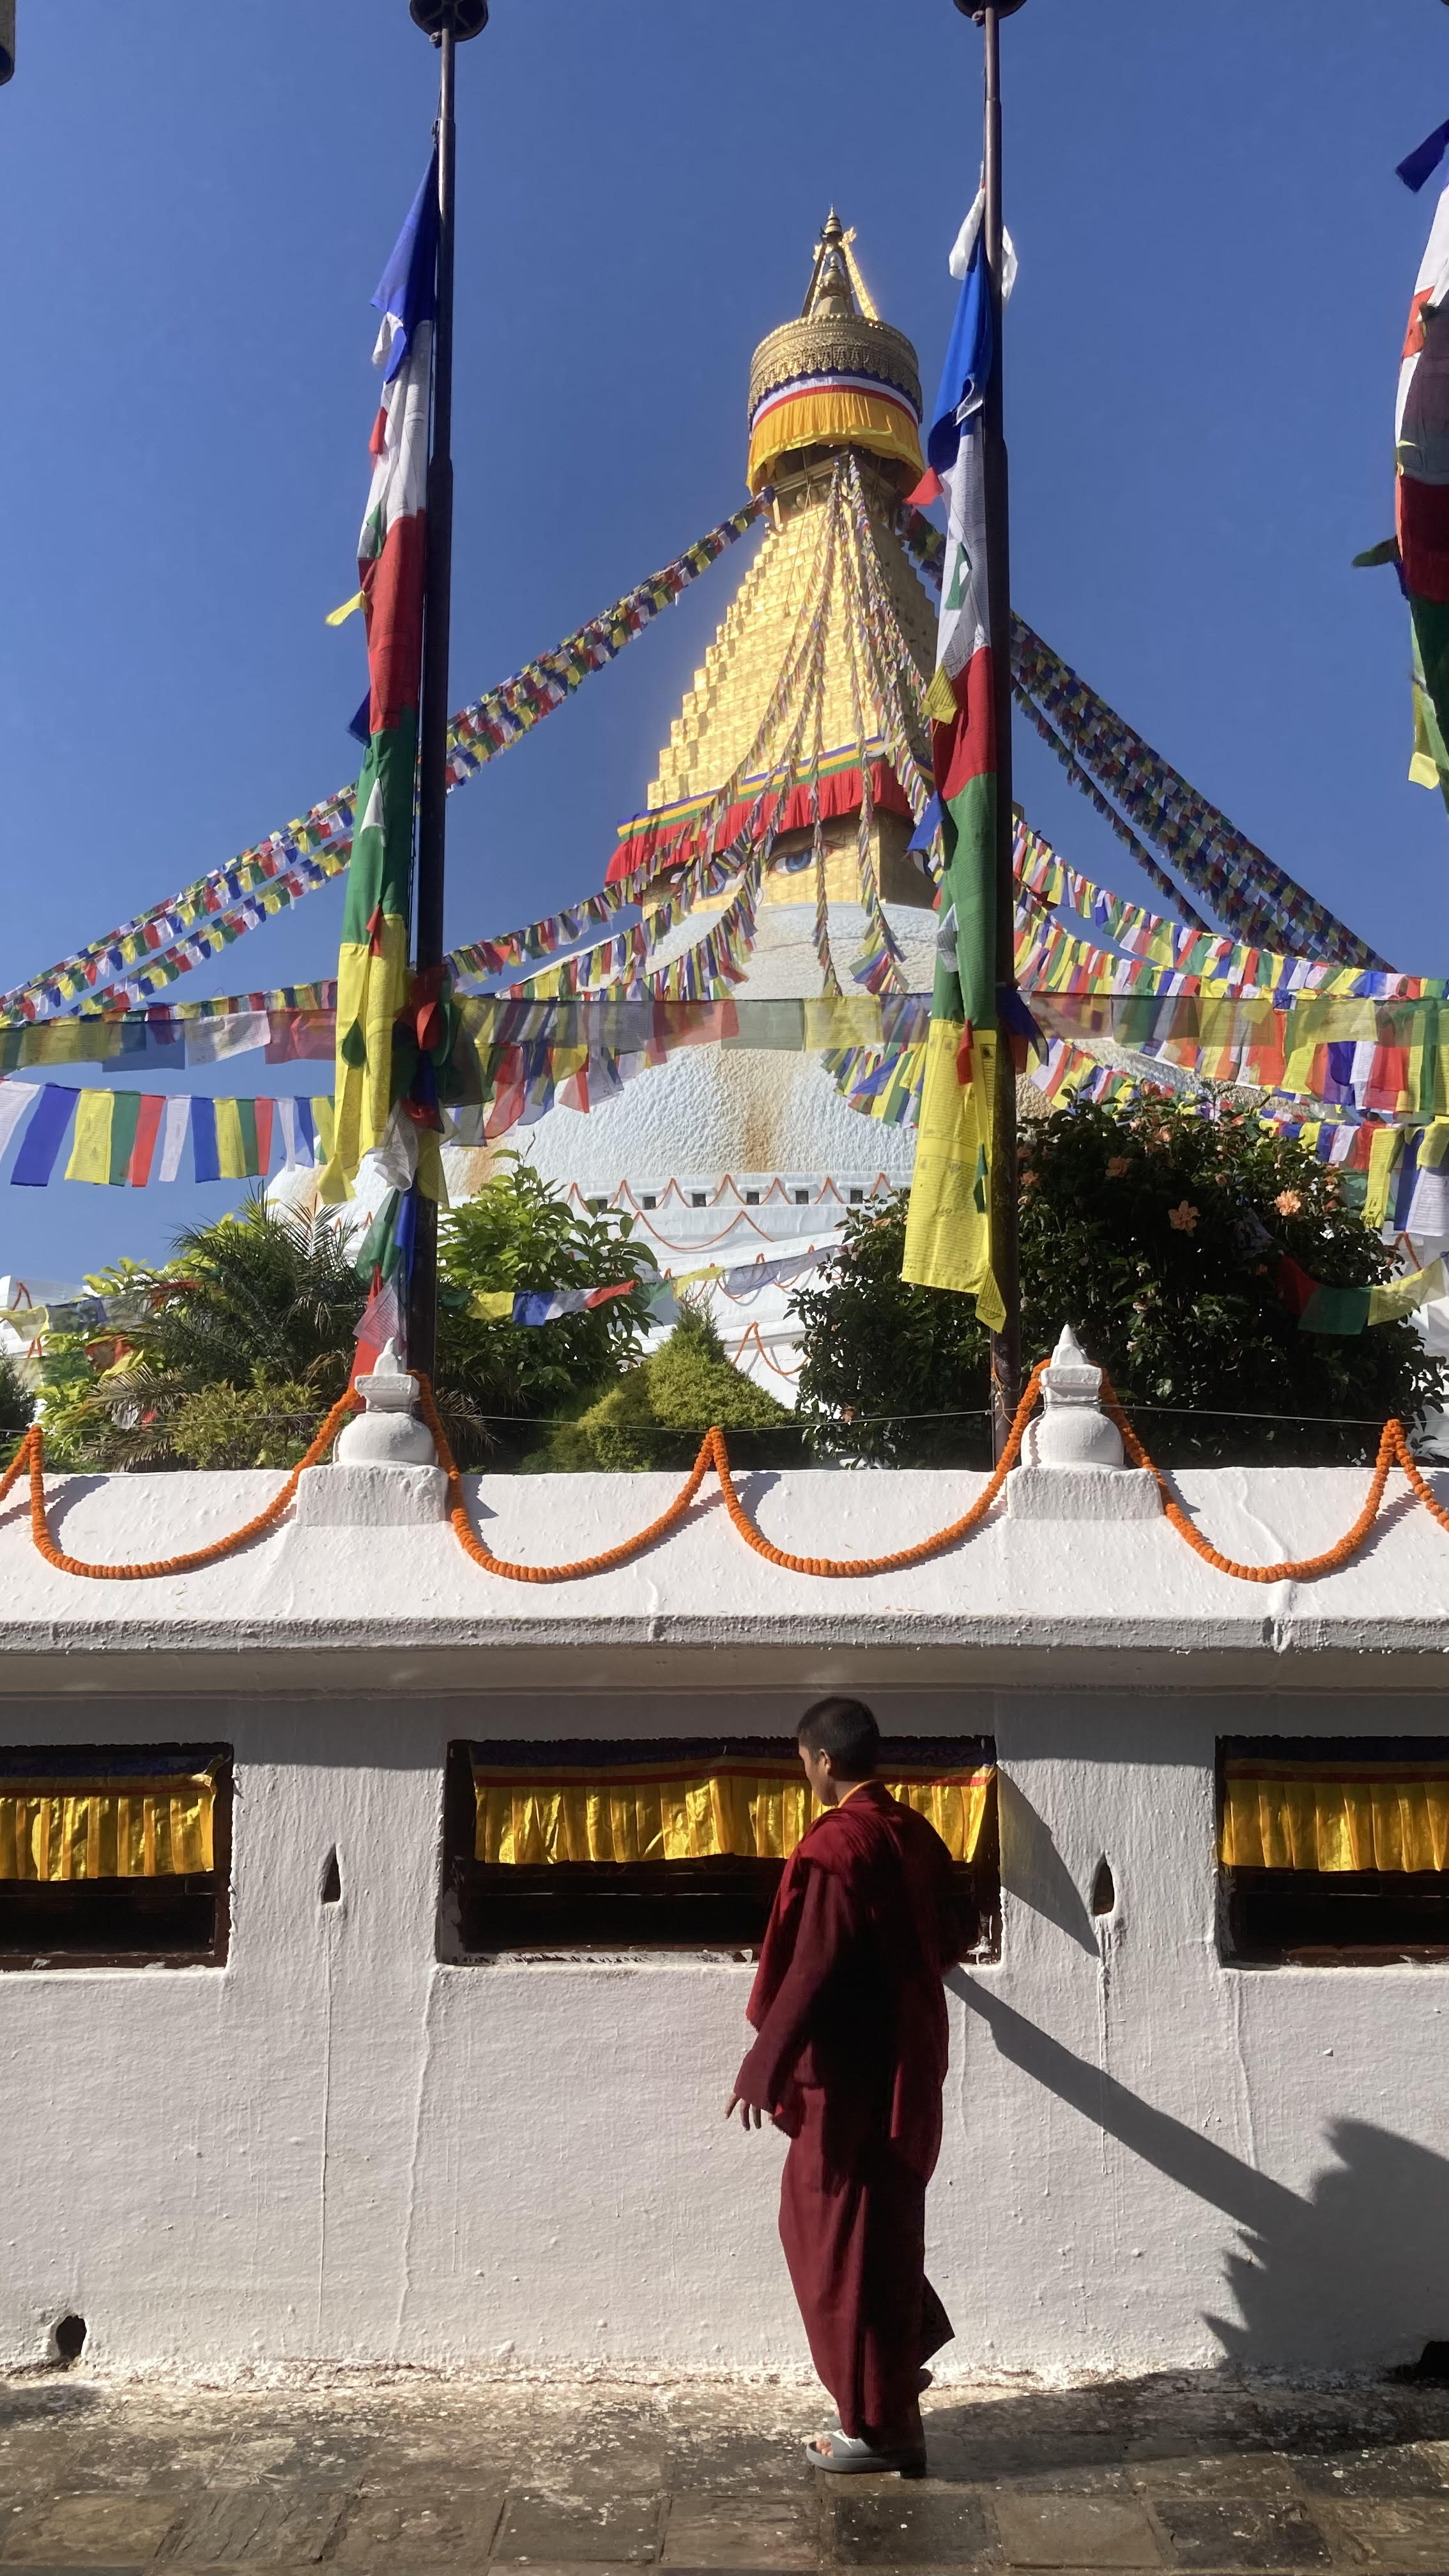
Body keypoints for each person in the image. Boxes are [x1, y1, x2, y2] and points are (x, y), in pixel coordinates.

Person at [725, 1696, 963, 2474]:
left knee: (828, 2238)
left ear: (825, 1760)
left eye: (804, 1761)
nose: (805, 1773)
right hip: (908, 2061)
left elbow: (817, 1962)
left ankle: (875, 2422)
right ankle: (893, 2388)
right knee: (879, 2230)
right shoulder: (915, 1834)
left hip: (850, 2075)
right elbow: (949, 1937)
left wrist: (765, 2066)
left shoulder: (842, 1844)